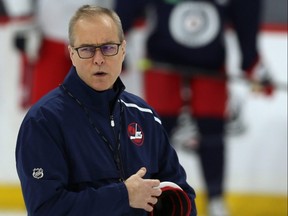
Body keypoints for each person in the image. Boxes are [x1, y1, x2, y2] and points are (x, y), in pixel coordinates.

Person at [15, 5, 197, 216]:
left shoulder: (144, 116)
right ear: (72, 54)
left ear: (123, 50)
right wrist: (123, 196)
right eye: (87, 50)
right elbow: (46, 210)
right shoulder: (44, 121)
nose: (99, 59)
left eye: (108, 48)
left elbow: (184, 198)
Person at [115, 0, 273, 215]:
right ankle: (147, 197)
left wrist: (251, 61)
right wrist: (114, 43)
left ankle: (216, 199)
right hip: (162, 61)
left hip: (210, 63)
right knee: (158, 132)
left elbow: (245, 11)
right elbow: (128, 6)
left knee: (212, 129)